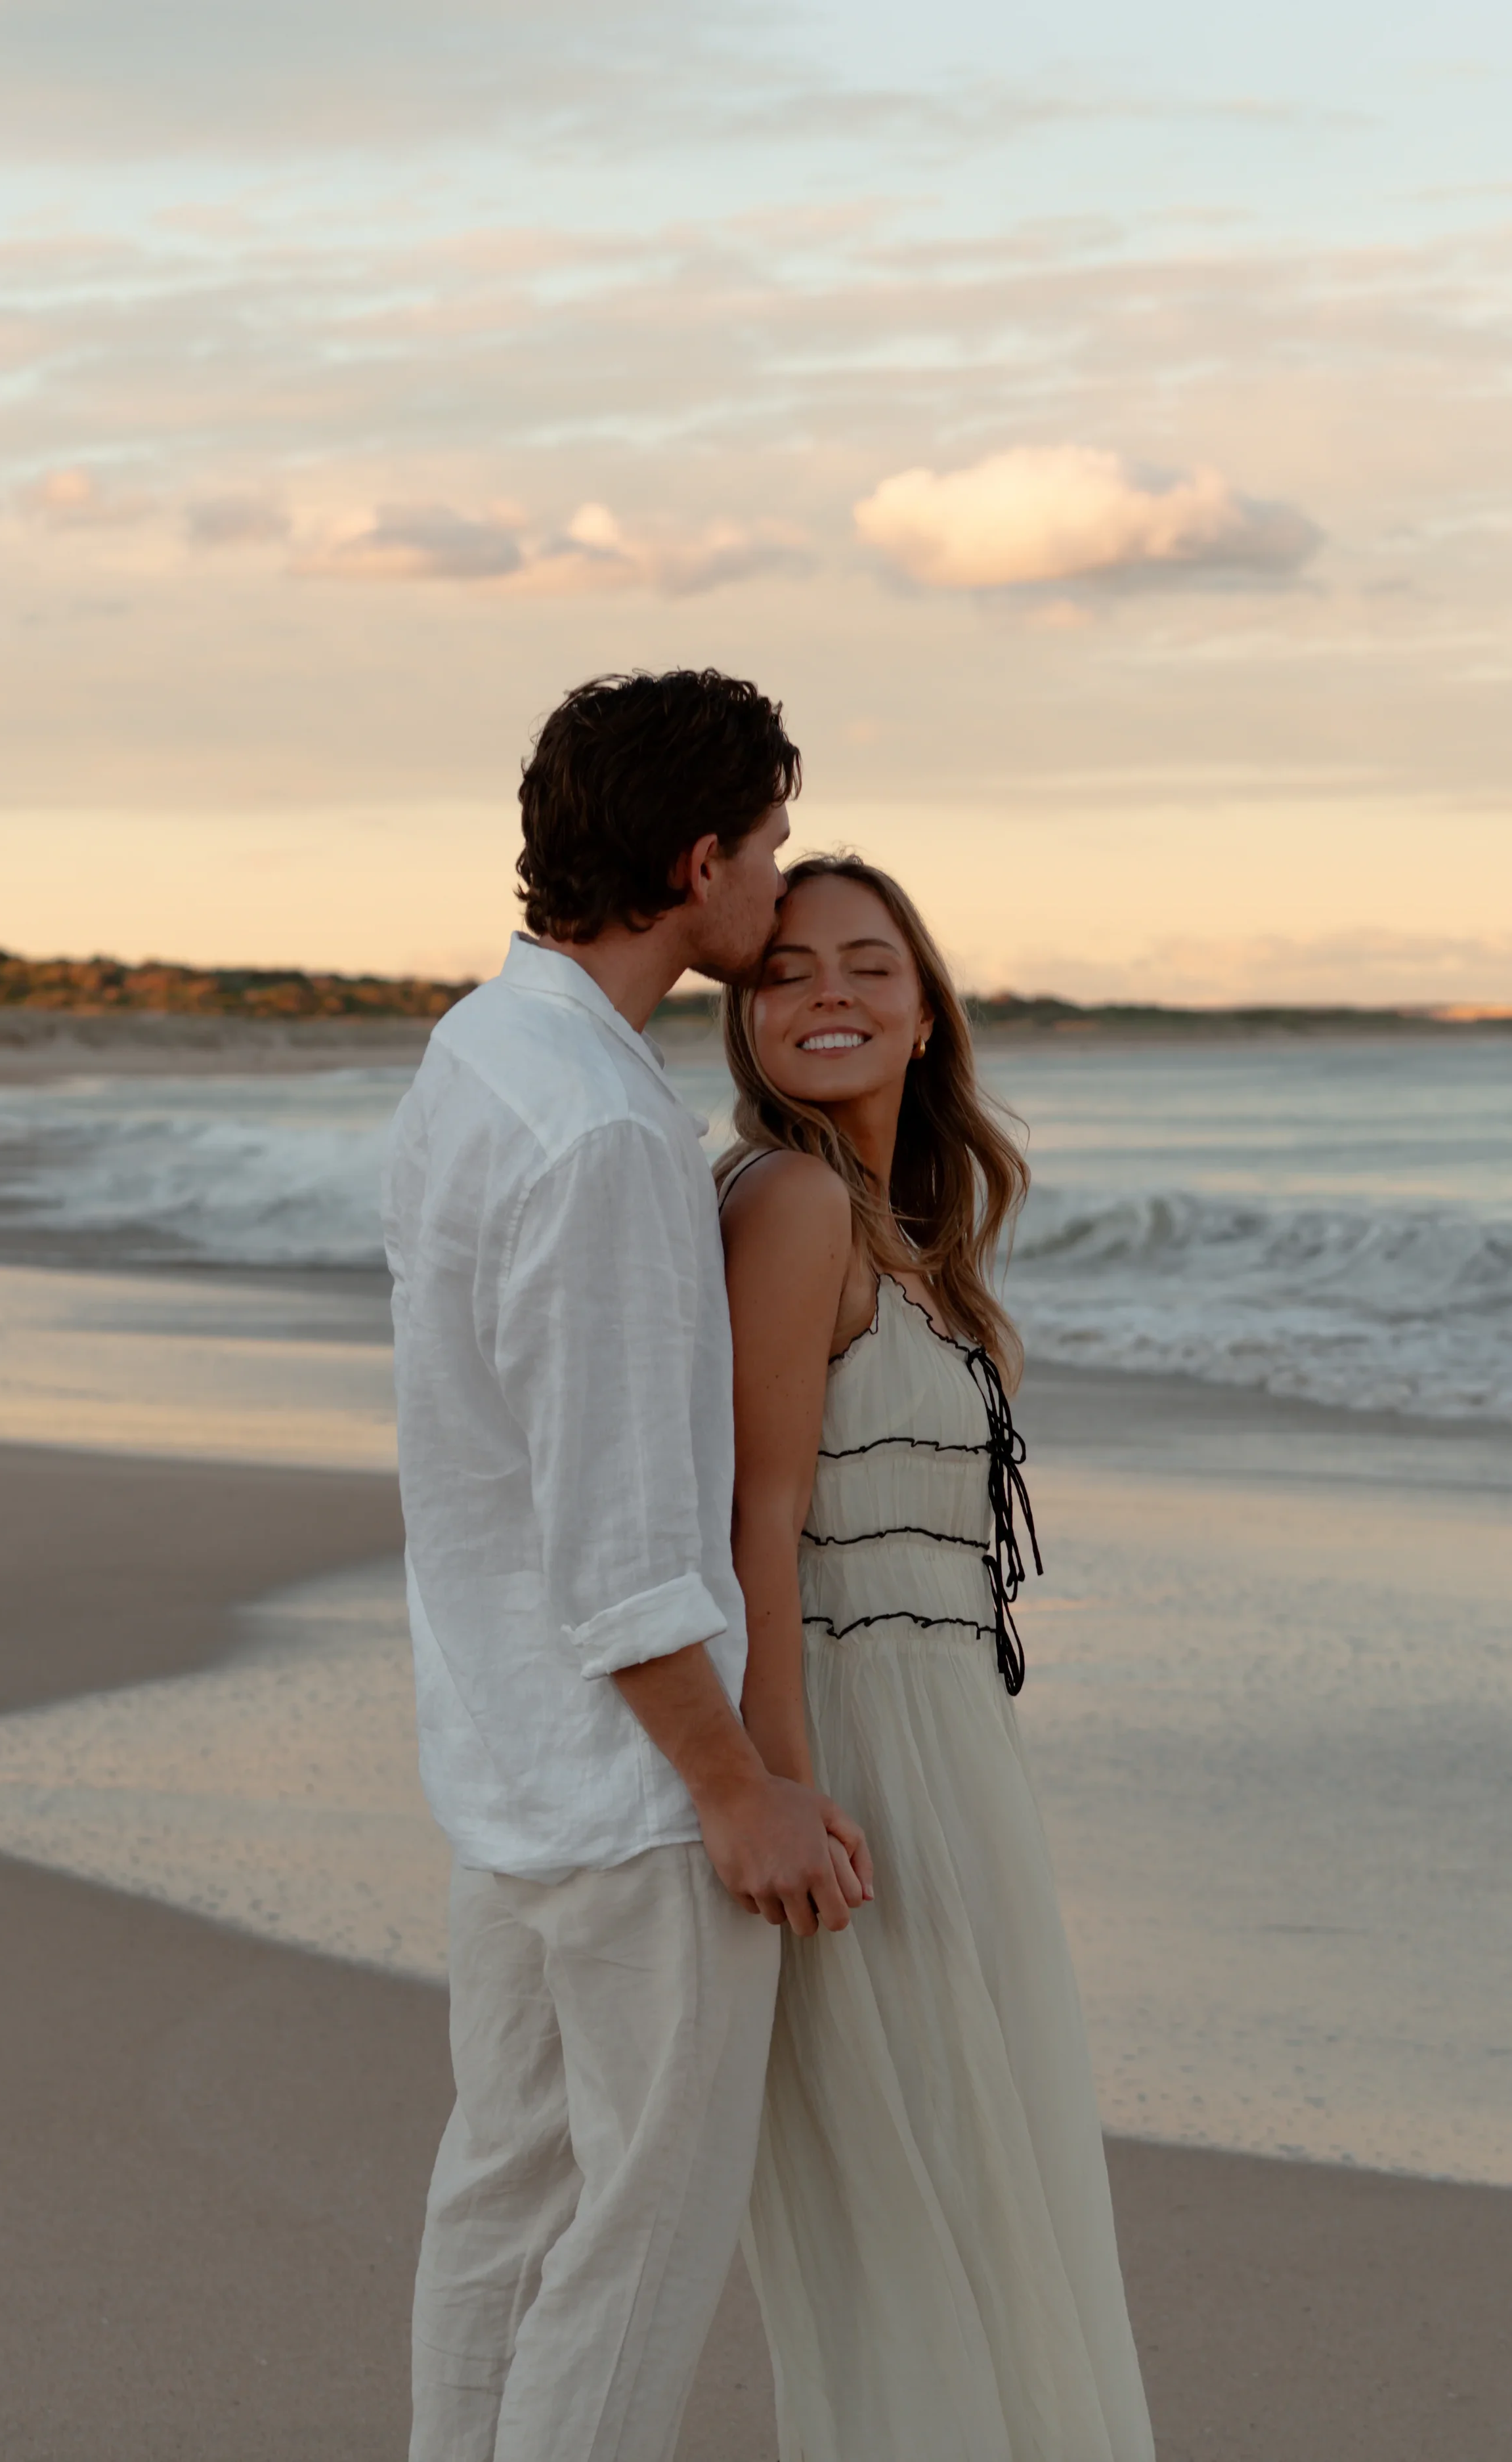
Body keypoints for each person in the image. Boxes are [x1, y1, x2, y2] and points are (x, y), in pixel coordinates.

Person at [381, 672, 873, 2462]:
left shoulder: (480, 1051)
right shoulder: (596, 1133)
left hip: (509, 1754)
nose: (775, 885)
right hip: (624, 1786)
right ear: (696, 858)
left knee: (503, 2200)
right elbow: (614, 1532)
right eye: (764, 848)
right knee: (635, 2240)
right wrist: (737, 1787)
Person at [718, 853, 1156, 2461]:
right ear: (746, 1022)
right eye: (785, 970)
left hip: (954, 1749)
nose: (827, 992)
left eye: (867, 967)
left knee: (992, 2190)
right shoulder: (787, 1202)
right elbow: (753, 1523)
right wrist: (777, 1787)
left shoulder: (912, 1242)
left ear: (922, 1019)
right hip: (853, 1762)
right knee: (909, 2215)